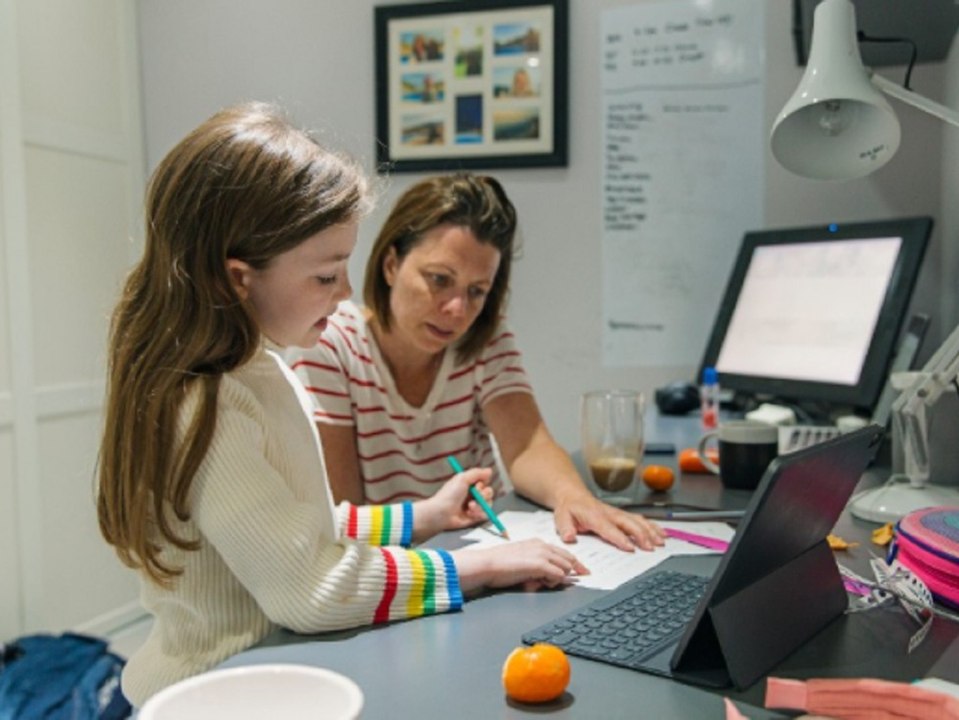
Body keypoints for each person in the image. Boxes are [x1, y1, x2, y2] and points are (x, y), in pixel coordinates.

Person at [95, 104, 586, 708]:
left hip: (267, 673)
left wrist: (424, 517)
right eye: (327, 276)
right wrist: (478, 571)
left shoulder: (259, 368)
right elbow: (310, 584)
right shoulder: (208, 403)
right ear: (238, 279)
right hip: (214, 693)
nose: (347, 293)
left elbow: (301, 524)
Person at [285, 174, 666, 552]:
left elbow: (526, 447)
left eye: (476, 291)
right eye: (439, 279)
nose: (456, 310)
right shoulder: (329, 343)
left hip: (487, 545)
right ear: (390, 265)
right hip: (395, 563)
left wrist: (574, 497)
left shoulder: (486, 337)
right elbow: (342, 513)